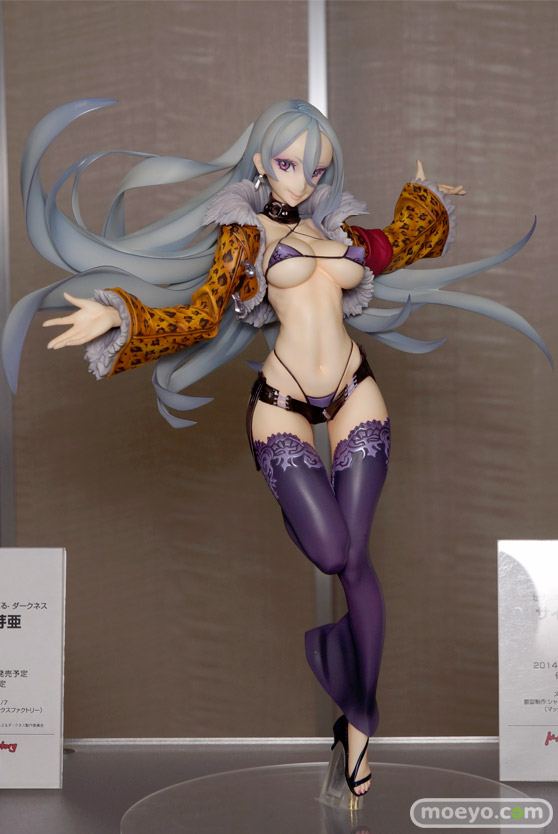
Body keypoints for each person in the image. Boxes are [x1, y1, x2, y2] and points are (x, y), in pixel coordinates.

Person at [2, 98, 550, 803]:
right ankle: (331, 654)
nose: (304, 180)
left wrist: (426, 200)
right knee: (332, 552)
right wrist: (117, 314)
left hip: (356, 391)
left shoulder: (338, 229)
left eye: (316, 169)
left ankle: (359, 728)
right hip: (283, 403)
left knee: (358, 562)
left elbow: (397, 244)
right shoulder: (245, 234)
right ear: (263, 161)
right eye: (290, 164)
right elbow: (199, 316)